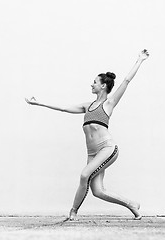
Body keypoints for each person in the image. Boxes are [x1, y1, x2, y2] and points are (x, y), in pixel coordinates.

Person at [25, 49, 149, 220]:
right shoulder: (87, 106)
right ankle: (132, 204)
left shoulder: (109, 104)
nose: (91, 85)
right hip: (92, 153)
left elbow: (126, 81)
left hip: (107, 148)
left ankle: (73, 212)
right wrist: (39, 103)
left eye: (94, 82)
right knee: (98, 191)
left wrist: (139, 60)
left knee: (84, 175)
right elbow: (64, 108)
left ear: (103, 85)